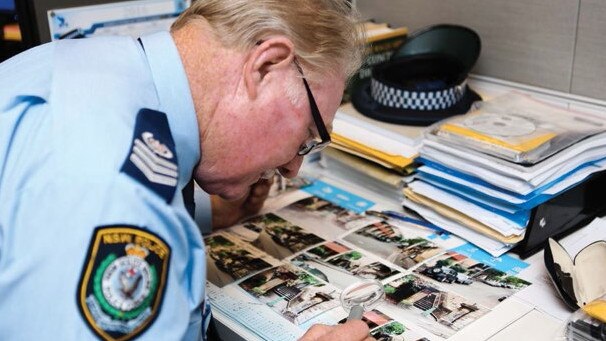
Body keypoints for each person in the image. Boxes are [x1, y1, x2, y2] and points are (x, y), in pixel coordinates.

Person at [0, 0, 373, 340]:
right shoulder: (115, 195)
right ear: (265, 66)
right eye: (309, 134)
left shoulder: (94, 64)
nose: (293, 167)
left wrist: (192, 212)